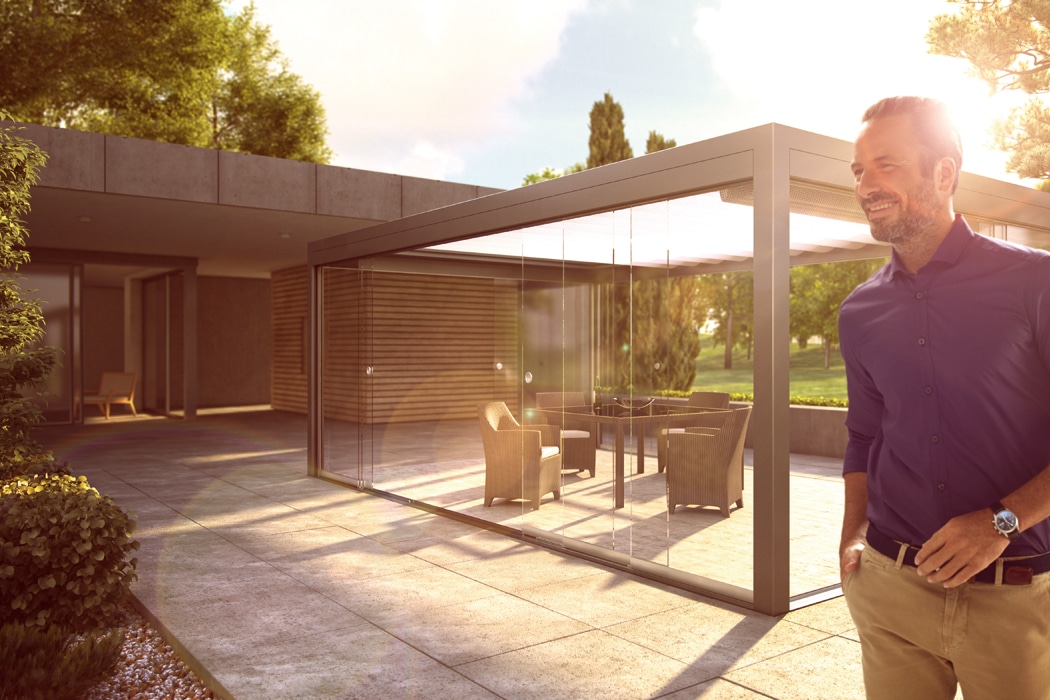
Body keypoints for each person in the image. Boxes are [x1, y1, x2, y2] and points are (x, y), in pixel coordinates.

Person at [838, 95, 1050, 700]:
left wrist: (1002, 522)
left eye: (887, 165)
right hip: (890, 591)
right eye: (858, 171)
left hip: (1012, 597)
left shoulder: (1036, 281)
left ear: (944, 172)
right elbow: (864, 434)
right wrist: (854, 535)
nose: (867, 185)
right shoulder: (859, 311)